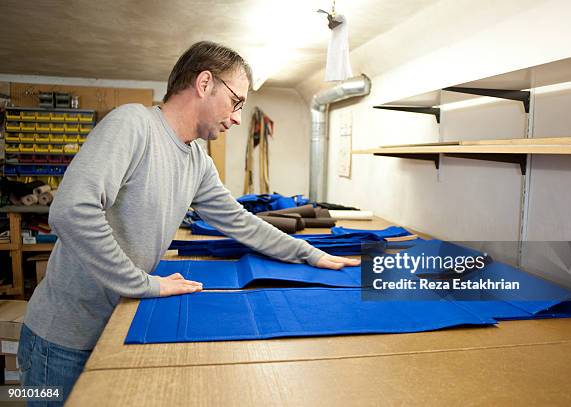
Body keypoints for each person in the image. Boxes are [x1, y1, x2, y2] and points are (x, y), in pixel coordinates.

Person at [18, 41, 359, 403]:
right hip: (61, 344)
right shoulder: (132, 124)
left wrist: (308, 253)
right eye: (236, 102)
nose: (238, 117)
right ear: (204, 82)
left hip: (116, 327)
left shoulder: (197, 160)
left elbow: (239, 221)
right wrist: (143, 284)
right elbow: (71, 210)